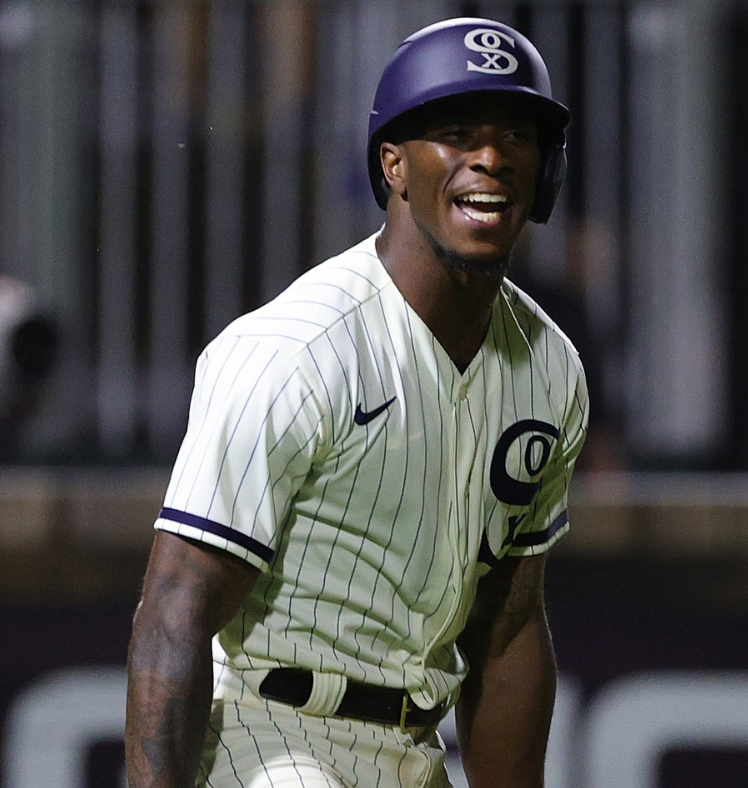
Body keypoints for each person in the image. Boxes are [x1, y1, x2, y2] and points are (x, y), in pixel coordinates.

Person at [126, 18, 588, 788]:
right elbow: (174, 611)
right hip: (269, 738)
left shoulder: (550, 367)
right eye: (455, 130)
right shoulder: (298, 351)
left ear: (547, 171)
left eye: (517, 132)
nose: (491, 155)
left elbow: (506, 633)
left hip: (414, 748)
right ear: (394, 165)